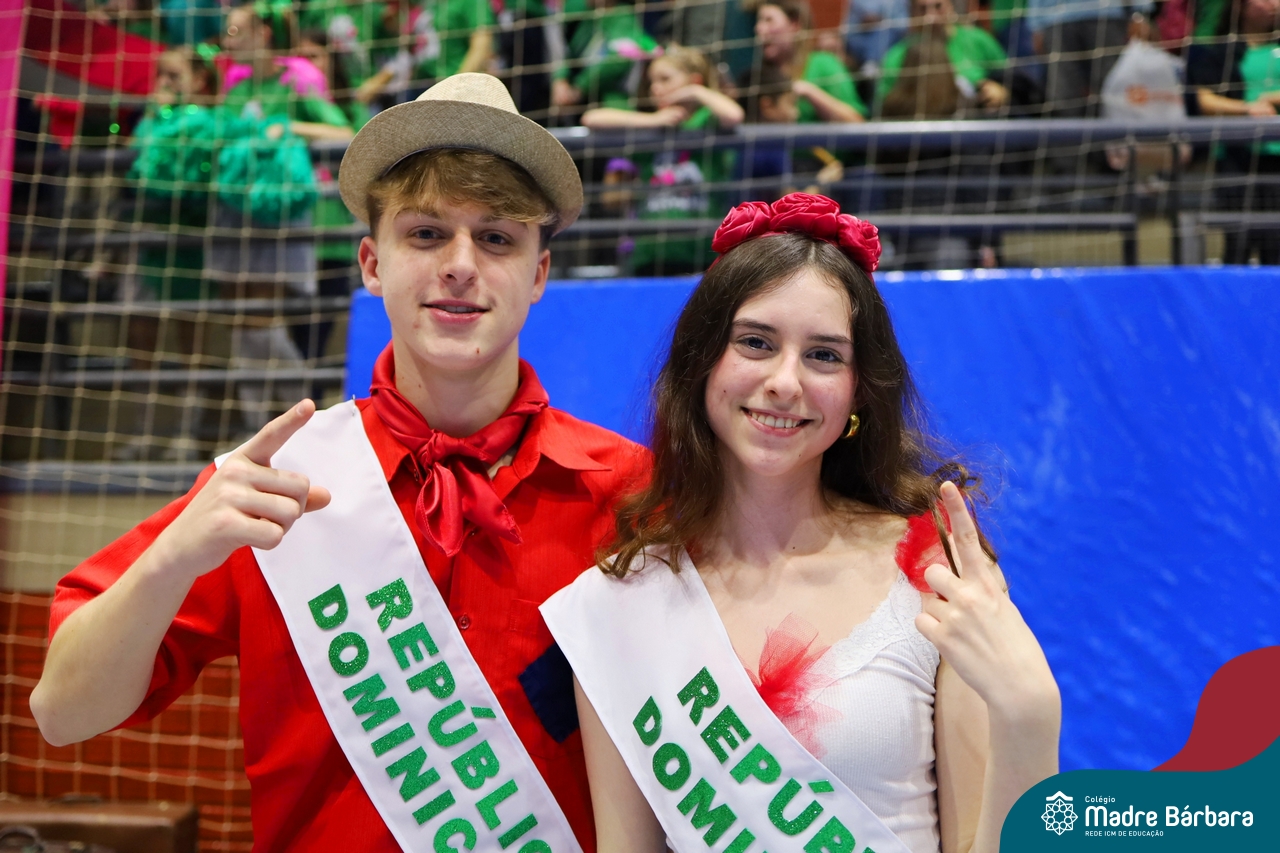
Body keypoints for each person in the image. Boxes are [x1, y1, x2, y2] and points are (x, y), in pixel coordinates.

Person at [31, 72, 648, 852]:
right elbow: (62, 713)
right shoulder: (273, 483)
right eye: (426, 233)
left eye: (497, 237)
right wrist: (173, 556)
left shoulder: (632, 491)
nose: (460, 264)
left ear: (539, 274)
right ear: (371, 263)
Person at [540, 193, 1062, 853]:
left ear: (858, 391)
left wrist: (1030, 719)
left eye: (824, 356)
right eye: (756, 342)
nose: (785, 381)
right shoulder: (619, 604)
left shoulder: (937, 575)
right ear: (702, 361)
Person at [583, 46, 743, 275]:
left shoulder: (707, 120)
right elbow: (592, 118)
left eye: (665, 79)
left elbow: (734, 115)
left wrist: (696, 92)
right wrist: (654, 120)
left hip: (702, 250)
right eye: (651, 82)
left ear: (694, 81)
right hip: (650, 252)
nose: (655, 88)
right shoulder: (649, 127)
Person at [1187, 0, 1280, 263]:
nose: (1273, 4)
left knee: (1275, 244)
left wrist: (1271, 98)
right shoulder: (1221, 52)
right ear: (1241, 5)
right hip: (1236, 156)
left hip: (1275, 158)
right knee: (1239, 241)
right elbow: (1204, 100)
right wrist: (1247, 108)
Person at [876, 0, 1009, 115]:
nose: (931, 17)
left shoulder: (978, 41)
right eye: (922, 9)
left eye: (938, 6)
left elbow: (1011, 79)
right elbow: (884, 106)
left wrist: (1003, 91)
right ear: (912, 13)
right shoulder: (896, 56)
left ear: (951, 6)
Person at [744, 0, 867, 123]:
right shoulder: (759, 75)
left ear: (795, 25)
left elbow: (856, 122)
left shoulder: (823, 64)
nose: (759, 28)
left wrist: (809, 92)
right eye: (758, 21)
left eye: (769, 20)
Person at [552, 0, 658, 114]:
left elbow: (618, 60)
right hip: (572, 92)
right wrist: (560, 79)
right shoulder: (580, 11)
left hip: (612, 97)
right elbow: (564, 48)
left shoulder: (623, 16)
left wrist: (580, 88)